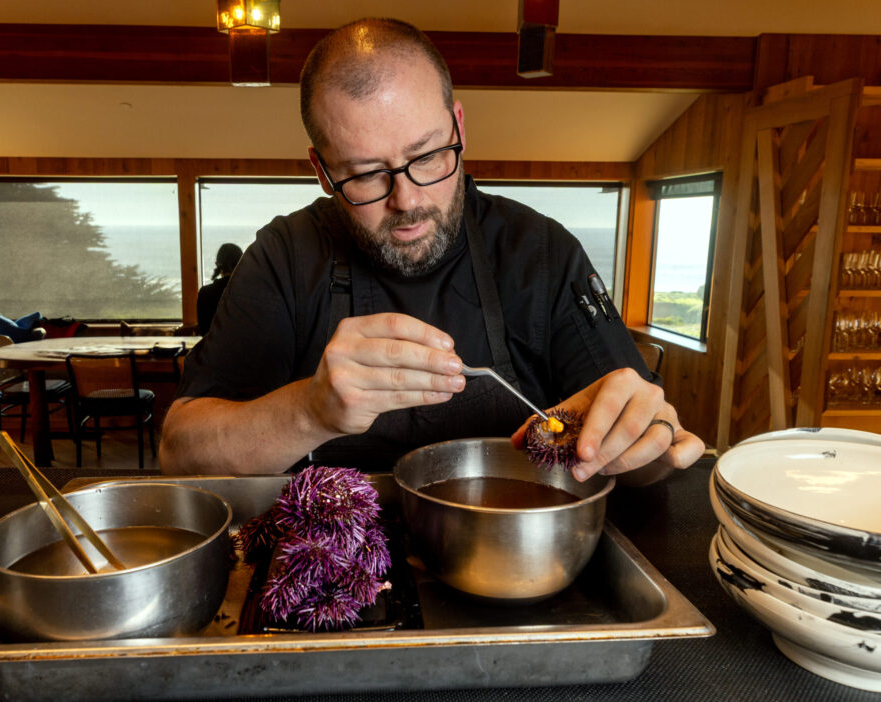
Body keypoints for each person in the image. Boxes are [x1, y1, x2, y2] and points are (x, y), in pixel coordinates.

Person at [160, 18, 704, 485]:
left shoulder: (540, 252)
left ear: (459, 128)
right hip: (330, 568)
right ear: (322, 172)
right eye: (366, 174)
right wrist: (311, 410)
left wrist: (648, 437)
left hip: (519, 560)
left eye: (427, 156)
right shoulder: (284, 257)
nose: (408, 200)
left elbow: (651, 457)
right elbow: (179, 452)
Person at [196, 243, 243, 335]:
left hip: (213, 348)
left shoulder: (205, 293)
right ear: (242, 264)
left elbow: (204, 331)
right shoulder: (249, 292)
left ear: (217, 264)